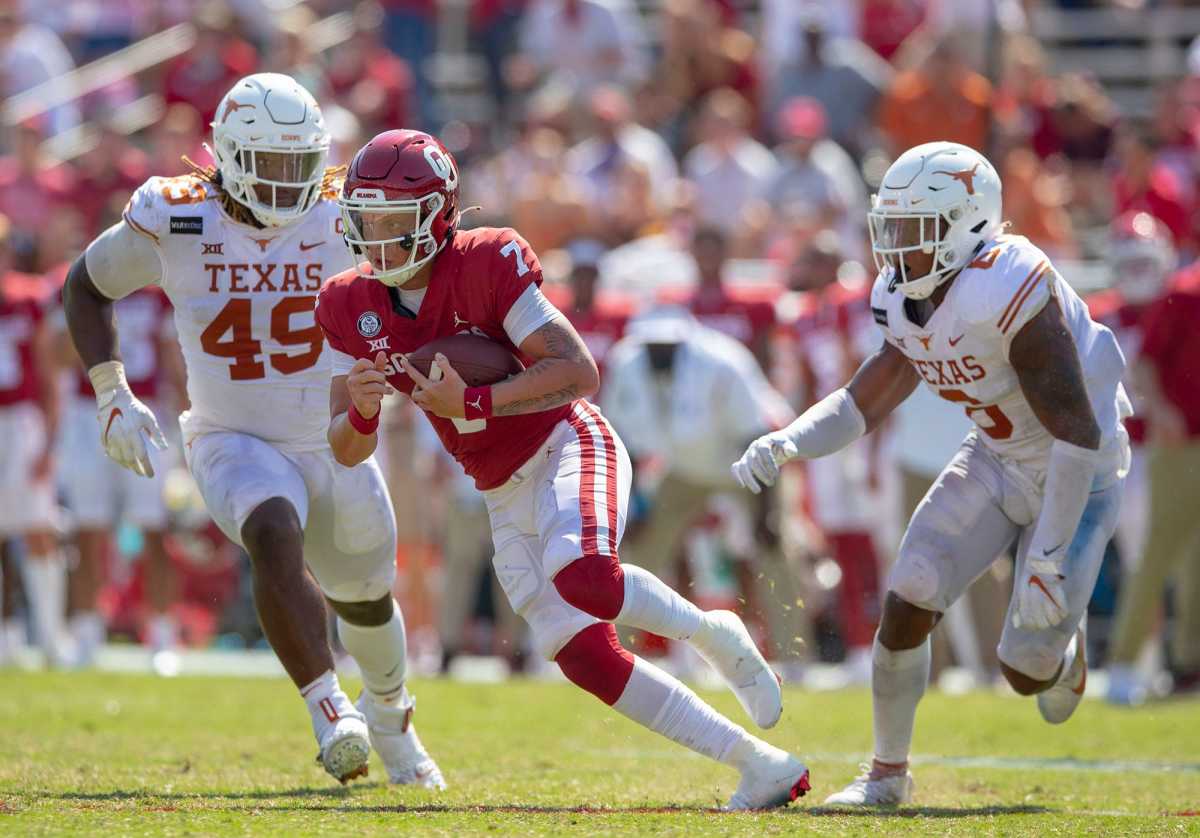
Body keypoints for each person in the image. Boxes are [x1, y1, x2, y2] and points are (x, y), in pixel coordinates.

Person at [315, 128, 809, 810]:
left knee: (586, 577)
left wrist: (475, 401)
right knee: (582, 655)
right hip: (496, 486)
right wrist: (365, 412)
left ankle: (710, 632)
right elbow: (344, 448)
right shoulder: (348, 302)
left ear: (437, 215)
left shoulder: (485, 260)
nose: (377, 242)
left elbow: (578, 371)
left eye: (393, 223)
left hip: (564, 443)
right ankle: (759, 765)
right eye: (365, 222)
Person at [61, 73, 442, 789]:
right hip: (230, 433)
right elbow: (85, 285)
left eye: (300, 162)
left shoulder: (342, 211)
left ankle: (392, 717)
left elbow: (424, 282)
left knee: (365, 597)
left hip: (331, 435)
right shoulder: (176, 214)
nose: (287, 180)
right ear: (230, 155)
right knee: (272, 531)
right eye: (269, 161)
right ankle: (330, 710)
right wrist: (111, 390)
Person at [733, 142, 1130, 806]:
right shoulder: (901, 294)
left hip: (1081, 474)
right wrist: (789, 440)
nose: (897, 247)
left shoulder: (1006, 282)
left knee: (1027, 672)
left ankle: (1064, 654)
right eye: (890, 227)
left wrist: (1047, 557)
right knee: (910, 588)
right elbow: (865, 399)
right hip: (997, 457)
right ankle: (887, 774)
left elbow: (1076, 433)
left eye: (914, 228)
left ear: (966, 224)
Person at [603, 306, 806, 668]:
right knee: (641, 549)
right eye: (651, 346)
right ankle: (616, 654)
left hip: (746, 463)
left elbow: (755, 436)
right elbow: (624, 444)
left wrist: (768, 513)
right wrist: (634, 506)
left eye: (667, 347)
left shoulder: (723, 362)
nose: (658, 354)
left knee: (774, 546)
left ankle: (794, 654)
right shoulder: (626, 364)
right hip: (684, 471)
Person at [0, 214, 64, 666]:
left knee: (38, 528)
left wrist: (50, 440)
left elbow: (48, 373)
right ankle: (7, 636)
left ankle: (50, 635)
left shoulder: (29, 298)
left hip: (22, 421)